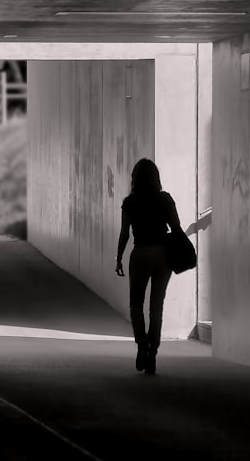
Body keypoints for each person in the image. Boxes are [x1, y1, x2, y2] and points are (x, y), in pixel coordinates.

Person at [114, 158, 183, 375]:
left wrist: (118, 258)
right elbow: (176, 226)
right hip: (163, 255)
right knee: (157, 306)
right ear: (156, 177)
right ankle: (152, 352)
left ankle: (142, 344)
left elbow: (125, 233)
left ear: (135, 178)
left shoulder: (130, 202)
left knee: (136, 302)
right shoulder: (165, 199)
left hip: (141, 253)